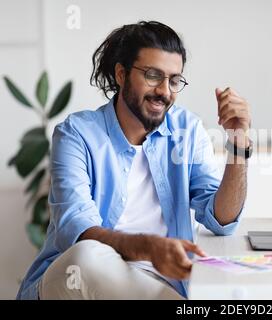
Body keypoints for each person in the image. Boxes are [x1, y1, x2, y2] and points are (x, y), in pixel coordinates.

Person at [17, 20, 252, 300]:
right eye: (153, 75)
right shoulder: (77, 133)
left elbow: (222, 220)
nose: (164, 91)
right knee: (86, 256)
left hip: (159, 283)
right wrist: (149, 248)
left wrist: (238, 142)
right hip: (76, 280)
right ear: (121, 73)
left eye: (174, 80)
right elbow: (77, 230)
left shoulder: (187, 130)